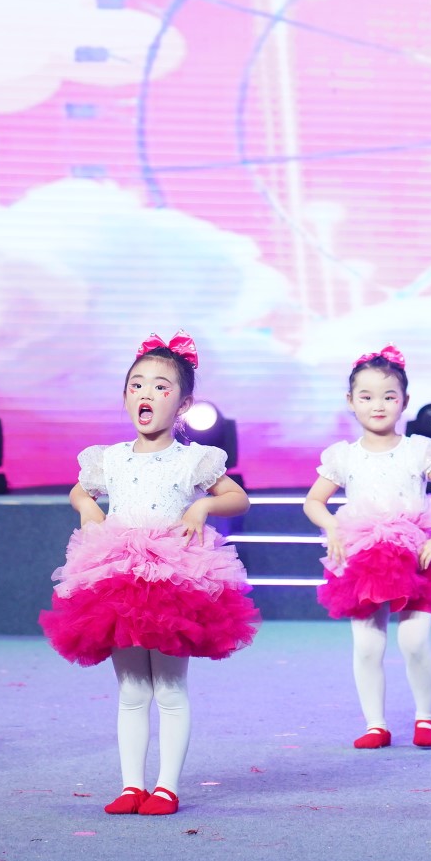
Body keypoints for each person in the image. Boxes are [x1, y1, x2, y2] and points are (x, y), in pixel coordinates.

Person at [38, 333, 257, 816]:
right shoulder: (109, 458)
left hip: (174, 578)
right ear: (125, 397)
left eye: (161, 386)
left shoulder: (193, 459)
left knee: (170, 688)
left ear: (184, 404)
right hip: (118, 575)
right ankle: (131, 785)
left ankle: (166, 787)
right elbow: (80, 491)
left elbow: (237, 498)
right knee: (133, 689)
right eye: (137, 384)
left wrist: (202, 506)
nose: (146, 393)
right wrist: (87, 508)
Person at [304, 346, 431, 749]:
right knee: (367, 645)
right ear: (350, 401)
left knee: (413, 641)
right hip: (362, 556)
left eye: (388, 396)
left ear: (404, 401)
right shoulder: (343, 456)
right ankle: (375, 724)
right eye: (366, 396)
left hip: (417, 556)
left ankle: (425, 717)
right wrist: (333, 526)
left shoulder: (419, 450)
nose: (377, 405)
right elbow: (313, 501)